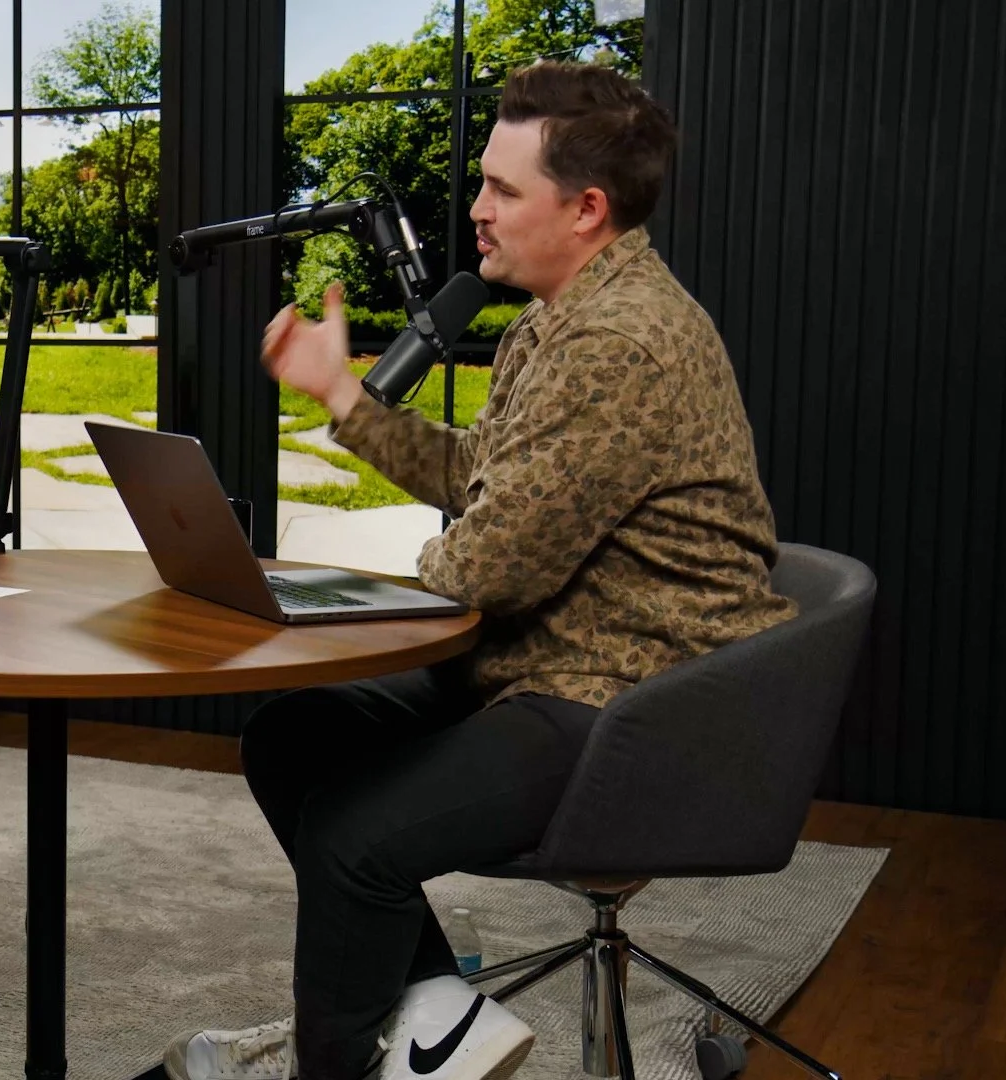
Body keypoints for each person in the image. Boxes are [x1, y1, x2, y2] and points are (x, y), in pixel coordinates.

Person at [165, 61, 797, 1080]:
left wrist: (435, 558)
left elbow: (485, 568)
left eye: (504, 189)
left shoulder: (618, 342)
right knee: (292, 738)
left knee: (353, 839)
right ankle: (437, 1027)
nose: (476, 209)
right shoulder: (556, 320)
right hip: (543, 663)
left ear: (588, 208)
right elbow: (481, 481)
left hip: (630, 702)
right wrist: (342, 395)